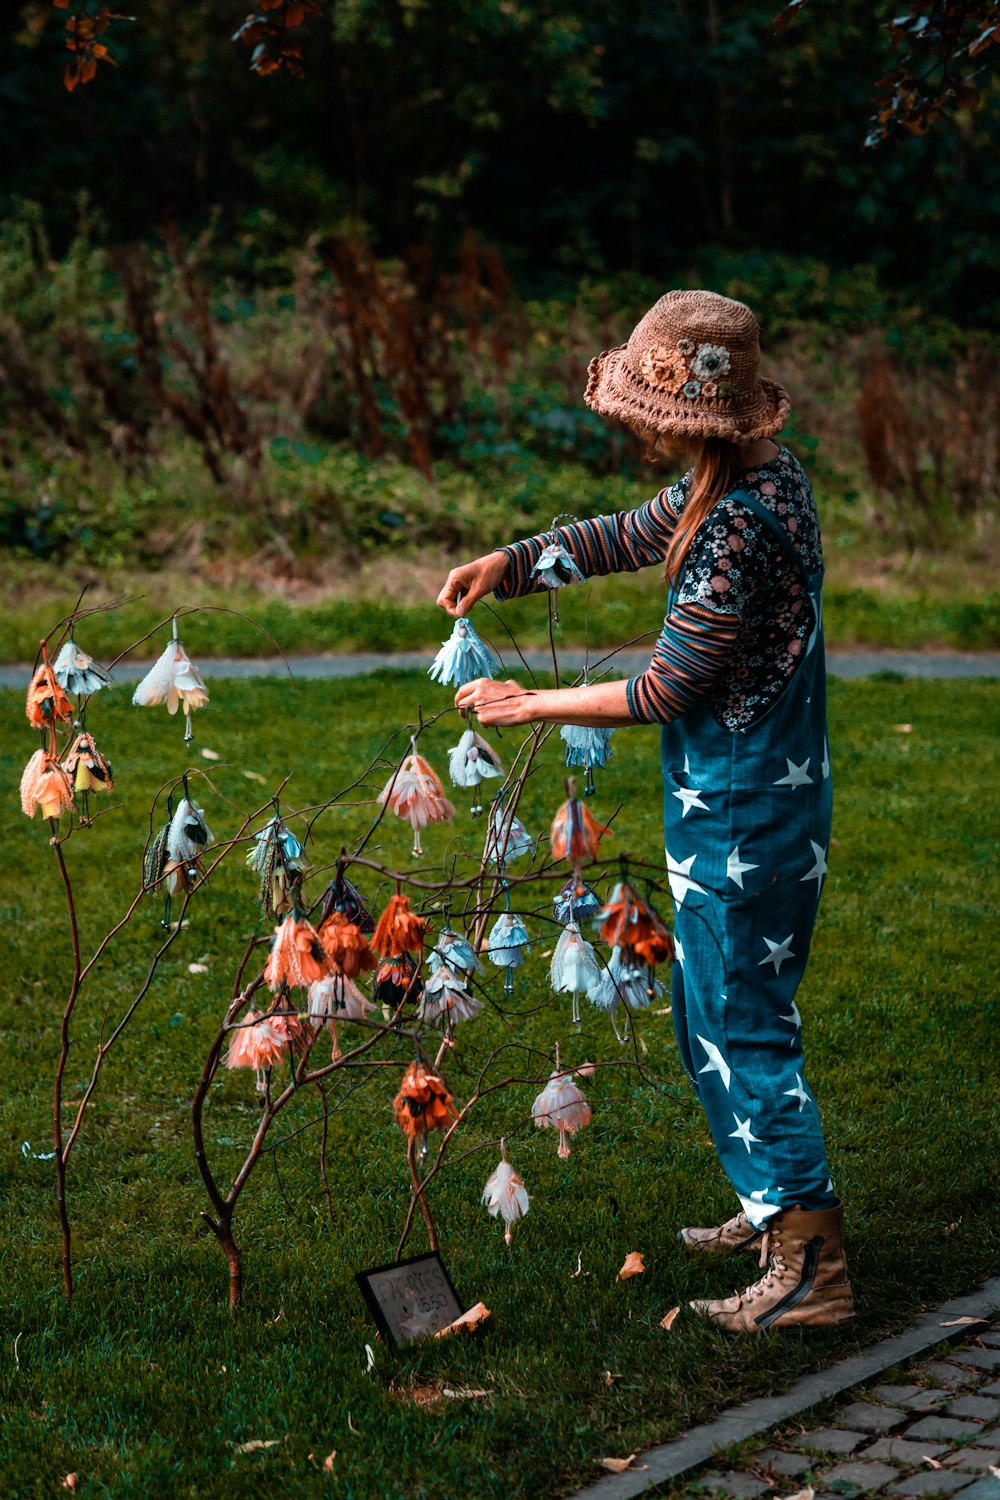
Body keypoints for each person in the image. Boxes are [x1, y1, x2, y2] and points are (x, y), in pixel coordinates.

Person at [435, 289, 854, 1333]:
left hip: (743, 817)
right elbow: (629, 534)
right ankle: (771, 1212)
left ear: (689, 420)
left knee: (741, 1027)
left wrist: (529, 702)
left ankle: (811, 1269)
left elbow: (666, 688)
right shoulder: (749, 483)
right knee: (711, 1014)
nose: (638, 431)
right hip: (746, 803)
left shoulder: (739, 528)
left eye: (648, 415)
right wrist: (513, 565)